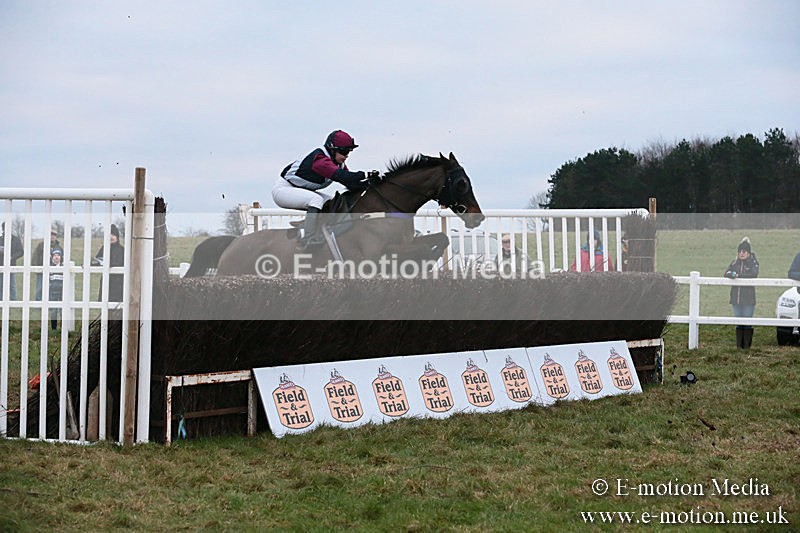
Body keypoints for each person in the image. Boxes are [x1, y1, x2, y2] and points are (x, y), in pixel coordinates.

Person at [272, 130, 380, 251]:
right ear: (332, 149)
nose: (346, 156)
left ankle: (323, 232)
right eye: (344, 152)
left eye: (349, 152)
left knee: (332, 201)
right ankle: (307, 238)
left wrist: (373, 184)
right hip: (284, 190)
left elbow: (351, 183)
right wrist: (366, 174)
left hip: (299, 189)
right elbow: (341, 176)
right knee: (316, 200)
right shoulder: (320, 160)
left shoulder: (338, 164)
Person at [723, 237, 759, 350]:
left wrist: (738, 276)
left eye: (743, 252)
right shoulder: (735, 263)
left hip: (748, 299)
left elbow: (753, 274)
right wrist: (732, 274)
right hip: (736, 298)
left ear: (748, 253)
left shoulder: (753, 263)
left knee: (747, 322)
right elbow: (726, 273)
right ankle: (739, 347)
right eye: (740, 252)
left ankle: (746, 347)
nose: (741, 254)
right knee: (738, 322)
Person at [92, 224, 125, 302]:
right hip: (106, 281)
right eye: (109, 235)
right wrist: (88, 264)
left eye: (113, 235)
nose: (111, 237)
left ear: (117, 236)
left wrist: (107, 263)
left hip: (118, 283)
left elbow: (119, 262)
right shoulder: (104, 248)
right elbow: (97, 260)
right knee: (104, 304)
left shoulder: (121, 249)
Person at [33, 228, 61, 301]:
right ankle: (39, 303)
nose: (52, 236)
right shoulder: (41, 245)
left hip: (54, 270)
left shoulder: (58, 247)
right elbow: (35, 256)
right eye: (51, 234)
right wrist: (35, 267)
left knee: (51, 287)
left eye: (54, 235)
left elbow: (62, 258)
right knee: (40, 287)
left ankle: (49, 301)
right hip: (41, 269)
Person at [0, 222, 24, 300]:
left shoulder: (16, 239)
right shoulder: (0, 239)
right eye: (4, 228)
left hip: (11, 264)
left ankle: (14, 300)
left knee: (12, 284)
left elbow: (20, 251)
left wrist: (12, 257)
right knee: (1, 284)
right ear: (2, 229)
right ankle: (1, 300)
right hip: (1, 264)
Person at [48, 247, 64, 330]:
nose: (56, 257)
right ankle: (54, 328)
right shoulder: (49, 267)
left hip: (62, 292)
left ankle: (62, 327)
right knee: (53, 311)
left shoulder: (64, 266)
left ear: (61, 257)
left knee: (62, 311)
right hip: (53, 292)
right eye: (54, 255)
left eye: (58, 255)